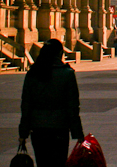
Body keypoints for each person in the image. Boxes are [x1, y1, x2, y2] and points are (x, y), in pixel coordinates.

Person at [19, 39, 84, 167]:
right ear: (59, 53)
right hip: (59, 128)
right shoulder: (67, 74)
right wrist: (78, 133)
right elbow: (72, 107)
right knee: (59, 162)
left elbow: (26, 105)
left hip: (38, 128)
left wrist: (23, 133)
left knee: (42, 162)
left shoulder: (33, 73)